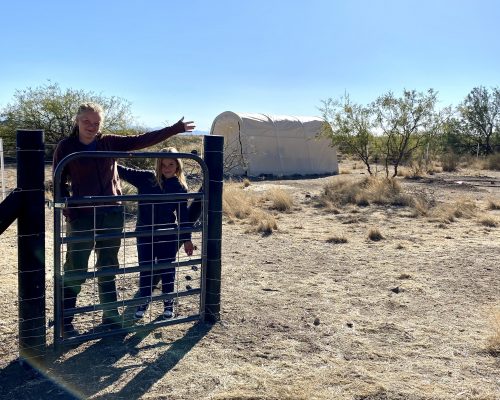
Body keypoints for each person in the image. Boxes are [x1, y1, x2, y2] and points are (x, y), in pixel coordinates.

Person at [52, 102, 194, 335]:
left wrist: (174, 129)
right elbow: (58, 181)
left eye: (96, 123)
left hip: (111, 214)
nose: (91, 126)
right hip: (82, 216)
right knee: (76, 266)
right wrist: (69, 207)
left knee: (108, 265)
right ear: (77, 120)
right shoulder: (66, 147)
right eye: (86, 121)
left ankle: (110, 316)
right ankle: (65, 321)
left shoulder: (108, 142)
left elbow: (141, 140)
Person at [117, 147, 194, 320]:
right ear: (157, 165)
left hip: (167, 233)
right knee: (146, 268)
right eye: (162, 164)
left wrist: (187, 239)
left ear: (177, 166)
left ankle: (168, 303)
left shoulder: (180, 187)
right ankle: (143, 302)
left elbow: (183, 215)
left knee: (167, 268)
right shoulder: (146, 178)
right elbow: (121, 171)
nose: (166, 168)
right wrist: (114, 154)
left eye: (171, 164)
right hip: (144, 232)